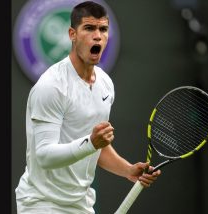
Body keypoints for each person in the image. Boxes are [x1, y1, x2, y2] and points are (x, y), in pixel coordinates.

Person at [15, 1, 161, 213]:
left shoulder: (105, 84)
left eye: (103, 29)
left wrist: (127, 169)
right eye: (89, 28)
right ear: (72, 34)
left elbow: (96, 148)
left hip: (81, 204)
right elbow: (45, 156)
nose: (97, 36)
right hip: (41, 203)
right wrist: (91, 143)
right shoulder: (51, 86)